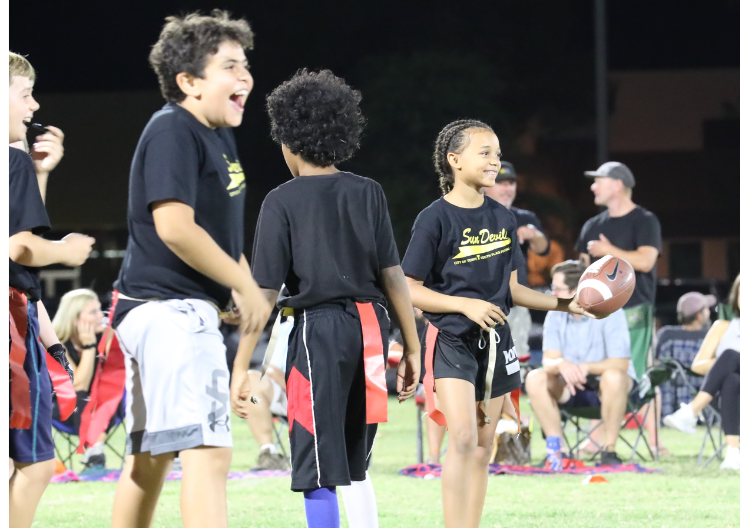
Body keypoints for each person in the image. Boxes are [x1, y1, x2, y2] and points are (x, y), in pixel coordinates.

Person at [230, 69, 421, 528]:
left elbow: (263, 294)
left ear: (289, 139)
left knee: (315, 461)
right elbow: (393, 276)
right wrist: (411, 346)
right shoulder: (368, 191)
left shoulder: (281, 200)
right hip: (373, 329)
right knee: (355, 461)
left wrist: (242, 367)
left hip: (321, 332)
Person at [108, 12, 271, 528]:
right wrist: (242, 282)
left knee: (150, 460)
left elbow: (216, 234)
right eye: (230, 66)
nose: (244, 77)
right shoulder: (174, 130)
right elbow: (175, 227)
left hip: (158, 312)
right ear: (189, 81)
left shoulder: (215, 136)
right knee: (208, 454)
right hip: (171, 312)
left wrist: (244, 279)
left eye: (245, 65)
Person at [402, 119, 597, 528]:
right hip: (452, 341)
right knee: (463, 438)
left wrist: (567, 304)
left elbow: (513, 290)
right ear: (454, 160)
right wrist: (464, 305)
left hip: (496, 343)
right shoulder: (434, 218)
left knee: (485, 442)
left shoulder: (503, 219)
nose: (495, 161)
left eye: (497, 152)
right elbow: (408, 287)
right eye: (484, 152)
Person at [9, 51, 94, 528]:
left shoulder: (17, 166)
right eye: (24, 94)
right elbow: (20, 249)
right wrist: (64, 249)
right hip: (10, 326)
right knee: (37, 461)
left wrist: (40, 174)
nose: (34, 105)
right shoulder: (11, 162)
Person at [576, 161, 663, 452]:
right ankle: (595, 439)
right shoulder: (593, 226)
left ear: (617, 185)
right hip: (600, 314)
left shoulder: (645, 220)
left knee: (641, 372)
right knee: (601, 371)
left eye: (598, 180)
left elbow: (646, 261)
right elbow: (582, 271)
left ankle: (653, 442)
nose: (592, 186)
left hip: (635, 311)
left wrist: (607, 251)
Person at [525, 260, 637, 468]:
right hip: (571, 387)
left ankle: (609, 451)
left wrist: (585, 367)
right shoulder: (555, 314)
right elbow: (549, 360)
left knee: (613, 376)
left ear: (578, 290)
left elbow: (620, 363)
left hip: (610, 388)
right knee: (535, 377)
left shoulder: (611, 312)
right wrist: (561, 364)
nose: (552, 293)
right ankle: (557, 453)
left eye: (558, 289)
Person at [664, 273, 740, 470]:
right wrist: (726, 363)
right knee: (731, 377)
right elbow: (698, 365)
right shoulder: (723, 327)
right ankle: (733, 454)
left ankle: (692, 411)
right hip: (722, 393)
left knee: (732, 355)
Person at [484, 161, 550, 359]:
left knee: (516, 359)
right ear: (486, 185)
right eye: (501, 183)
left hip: (516, 303)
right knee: (484, 360)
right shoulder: (473, 216)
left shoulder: (523, 217)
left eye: (511, 183)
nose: (507, 188)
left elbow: (543, 248)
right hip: (482, 302)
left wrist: (533, 234)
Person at [51, 288, 112, 469]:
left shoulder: (108, 336)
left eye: (100, 310)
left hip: (105, 407)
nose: (101, 315)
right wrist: (89, 346)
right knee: (80, 395)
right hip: (66, 410)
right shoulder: (56, 344)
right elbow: (78, 384)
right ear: (75, 319)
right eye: (93, 312)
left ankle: (95, 451)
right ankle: (95, 451)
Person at [656, 292, 716, 418]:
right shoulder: (710, 337)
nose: (709, 313)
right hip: (702, 400)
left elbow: (656, 364)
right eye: (706, 310)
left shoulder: (666, 335)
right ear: (699, 316)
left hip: (668, 403)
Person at [245, 318, 293, 471]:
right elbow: (273, 369)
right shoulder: (284, 328)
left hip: (326, 392)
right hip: (289, 391)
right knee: (252, 382)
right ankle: (269, 452)